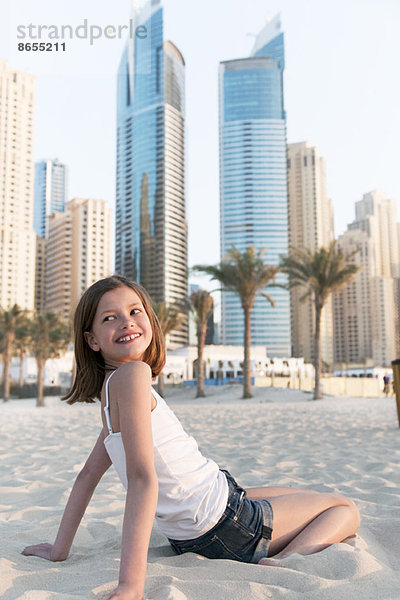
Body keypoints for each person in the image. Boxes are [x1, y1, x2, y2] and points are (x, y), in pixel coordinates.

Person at [22, 275, 361, 600]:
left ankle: (279, 542)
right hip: (225, 525)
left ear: (151, 322)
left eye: (134, 311)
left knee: (304, 495)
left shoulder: (112, 394)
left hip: (197, 523)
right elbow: (142, 479)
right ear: (92, 340)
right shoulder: (134, 374)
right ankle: (285, 559)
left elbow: (87, 477)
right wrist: (130, 586)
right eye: (110, 317)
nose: (126, 322)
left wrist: (59, 550)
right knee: (344, 507)